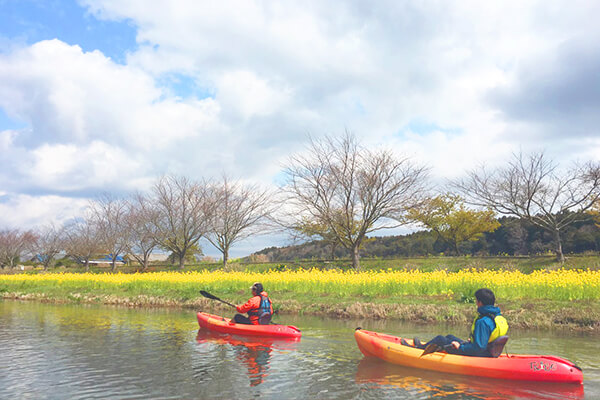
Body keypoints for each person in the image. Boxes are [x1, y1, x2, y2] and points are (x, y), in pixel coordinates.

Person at [407, 288, 508, 357]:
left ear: (480, 302)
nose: (476, 303)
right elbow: (487, 338)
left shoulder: (483, 321)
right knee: (450, 337)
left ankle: (417, 350)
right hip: (487, 351)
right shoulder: (496, 316)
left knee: (440, 339)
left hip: (480, 354)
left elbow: (478, 348)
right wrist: (473, 340)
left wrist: (461, 347)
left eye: (476, 300)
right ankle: (426, 347)